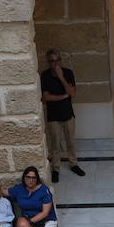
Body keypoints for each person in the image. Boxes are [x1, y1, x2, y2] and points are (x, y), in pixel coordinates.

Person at [40, 49, 85, 179]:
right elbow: (46, 97)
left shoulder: (68, 73)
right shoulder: (45, 75)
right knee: (55, 144)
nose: (55, 63)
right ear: (48, 62)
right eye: (52, 61)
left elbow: (73, 93)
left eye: (57, 60)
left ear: (60, 60)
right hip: (53, 116)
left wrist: (61, 77)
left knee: (71, 141)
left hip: (68, 114)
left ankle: (73, 164)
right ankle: (56, 168)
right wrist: (63, 96)